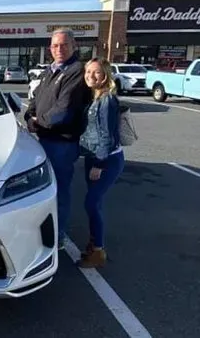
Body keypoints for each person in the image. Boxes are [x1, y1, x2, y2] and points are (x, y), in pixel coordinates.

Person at [24, 28, 92, 250]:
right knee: (41, 190)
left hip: (61, 143)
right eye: (55, 45)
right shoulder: (50, 71)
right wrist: (30, 115)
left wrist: (35, 122)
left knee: (58, 190)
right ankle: (41, 231)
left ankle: (58, 235)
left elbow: (63, 112)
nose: (59, 49)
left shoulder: (76, 72)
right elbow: (35, 101)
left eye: (63, 45)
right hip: (44, 140)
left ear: (74, 46)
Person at [76, 57, 125, 268]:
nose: (91, 76)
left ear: (105, 74)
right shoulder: (95, 97)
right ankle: (95, 243)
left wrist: (99, 164)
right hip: (92, 157)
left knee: (91, 202)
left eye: (96, 72)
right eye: (88, 72)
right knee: (95, 204)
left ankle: (98, 252)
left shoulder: (107, 100)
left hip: (107, 159)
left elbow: (107, 136)